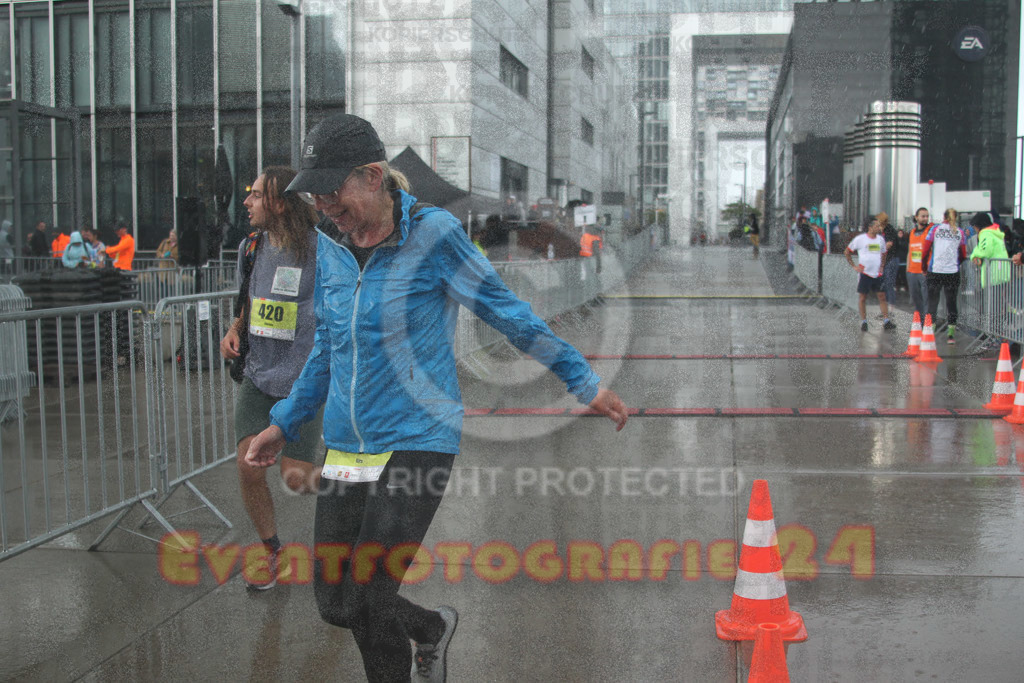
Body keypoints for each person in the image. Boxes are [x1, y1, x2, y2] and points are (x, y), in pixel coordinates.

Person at [244, 114, 629, 682]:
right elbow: (327, 346)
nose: (324, 203)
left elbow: (506, 311)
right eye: (316, 192)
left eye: (334, 189)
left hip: (417, 439)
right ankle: (429, 628)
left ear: (373, 176)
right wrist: (284, 422)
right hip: (348, 447)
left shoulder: (434, 235)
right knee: (336, 602)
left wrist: (583, 380)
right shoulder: (330, 248)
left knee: (372, 596)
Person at [218, 167, 325, 591]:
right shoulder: (251, 246)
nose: (247, 202)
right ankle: (273, 554)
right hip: (259, 376)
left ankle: (356, 487)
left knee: (296, 480)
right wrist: (235, 328)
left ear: (280, 201)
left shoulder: (322, 249)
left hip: (305, 382)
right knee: (248, 467)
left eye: (257, 195)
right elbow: (252, 298)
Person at [920, 208, 968, 343]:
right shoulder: (960, 232)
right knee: (951, 303)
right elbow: (963, 254)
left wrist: (924, 266)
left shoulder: (935, 229)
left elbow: (925, 249)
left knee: (932, 303)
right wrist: (955, 263)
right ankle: (951, 335)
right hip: (952, 272)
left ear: (943, 217)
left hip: (935, 270)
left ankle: (930, 332)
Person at [846, 217, 896, 332]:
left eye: (879, 226)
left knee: (882, 296)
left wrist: (882, 266)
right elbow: (847, 251)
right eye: (877, 226)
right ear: (870, 227)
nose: (879, 228)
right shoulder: (860, 239)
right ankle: (864, 321)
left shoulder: (880, 239)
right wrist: (854, 266)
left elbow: (884, 253)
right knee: (863, 297)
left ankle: (886, 321)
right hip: (865, 273)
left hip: (877, 274)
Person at [905, 207, 932, 321]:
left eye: (927, 216)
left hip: (924, 272)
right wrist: (907, 269)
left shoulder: (930, 231)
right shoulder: (912, 233)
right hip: (912, 271)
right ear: (917, 217)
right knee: (916, 299)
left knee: (926, 299)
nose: (925, 218)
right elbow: (910, 251)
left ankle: (927, 324)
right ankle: (919, 322)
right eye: (923, 216)